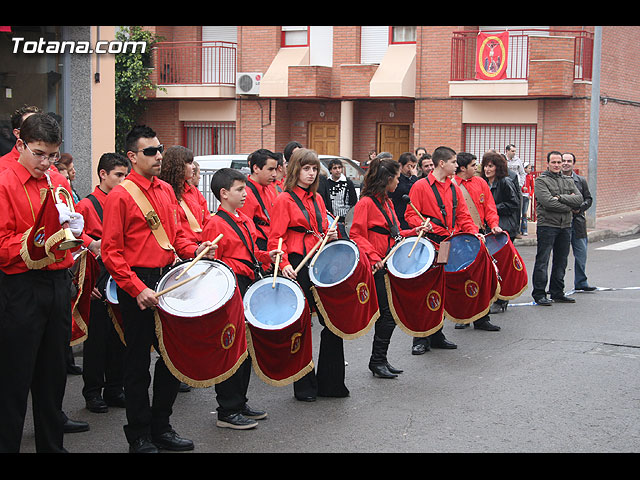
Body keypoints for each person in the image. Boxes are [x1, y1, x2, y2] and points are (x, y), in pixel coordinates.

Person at [101, 125, 217, 453]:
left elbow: (177, 235)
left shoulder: (166, 190)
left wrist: (195, 250)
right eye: (150, 151)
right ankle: (138, 434)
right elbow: (111, 252)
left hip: (167, 280)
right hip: (136, 283)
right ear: (132, 156)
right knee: (137, 362)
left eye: (160, 149)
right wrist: (136, 288)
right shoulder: (120, 195)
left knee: (172, 357)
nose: (158, 156)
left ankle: (161, 425)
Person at [0, 112, 85, 452]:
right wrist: (38, 242)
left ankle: (53, 447)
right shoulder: (4, 180)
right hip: (19, 288)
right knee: (14, 381)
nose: (46, 163)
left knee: (53, 379)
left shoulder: (57, 180)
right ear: (20, 144)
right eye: (39, 154)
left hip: (55, 283)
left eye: (52, 155)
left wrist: (75, 230)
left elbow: (63, 224)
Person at [201, 168, 281, 429]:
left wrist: (267, 256)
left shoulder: (244, 220)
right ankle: (227, 409)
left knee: (244, 346)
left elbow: (250, 252)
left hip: (247, 284)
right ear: (223, 194)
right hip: (230, 287)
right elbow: (213, 264)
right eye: (239, 189)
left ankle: (239, 401)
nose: (245, 194)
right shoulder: (215, 223)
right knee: (230, 346)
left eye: (245, 189)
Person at [269, 148, 345, 401]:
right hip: (297, 264)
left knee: (332, 321)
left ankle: (331, 383)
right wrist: (283, 264)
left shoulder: (318, 199)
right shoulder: (284, 200)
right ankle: (303, 386)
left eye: (314, 169)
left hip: (319, 262)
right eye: (306, 168)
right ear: (295, 170)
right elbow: (276, 239)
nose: (311, 174)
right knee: (301, 325)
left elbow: (322, 228)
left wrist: (330, 234)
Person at [349, 157, 431, 377]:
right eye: (395, 177)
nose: (398, 181)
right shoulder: (366, 203)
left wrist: (415, 231)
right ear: (386, 179)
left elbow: (393, 233)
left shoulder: (387, 201)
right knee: (387, 314)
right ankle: (376, 361)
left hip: (389, 262)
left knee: (390, 314)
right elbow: (356, 234)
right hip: (377, 266)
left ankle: (380, 359)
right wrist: (374, 256)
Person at [405, 146, 478, 354]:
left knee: (442, 289)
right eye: (454, 162)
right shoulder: (420, 186)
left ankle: (437, 334)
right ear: (442, 163)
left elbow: (463, 216)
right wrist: (422, 224)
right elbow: (411, 214)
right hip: (428, 243)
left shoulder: (454, 187)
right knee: (424, 290)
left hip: (448, 244)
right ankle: (419, 338)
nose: (457, 165)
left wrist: (473, 233)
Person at [75, 152, 130, 414]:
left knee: (119, 334)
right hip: (96, 275)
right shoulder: (86, 204)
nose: (123, 180)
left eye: (125, 175)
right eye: (119, 175)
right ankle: (93, 392)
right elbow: (73, 236)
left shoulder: (126, 201)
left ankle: (115, 388)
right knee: (96, 338)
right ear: (103, 174)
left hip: (120, 274)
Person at [452, 152, 503, 331]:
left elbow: (490, 207)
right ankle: (463, 315)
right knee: (462, 277)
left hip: (479, 234)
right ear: (463, 168)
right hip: (460, 238)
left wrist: (494, 225)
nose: (477, 168)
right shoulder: (451, 186)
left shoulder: (481, 183)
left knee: (482, 277)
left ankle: (482, 317)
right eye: (474, 165)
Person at [531, 151, 583, 306]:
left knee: (561, 260)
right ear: (547, 163)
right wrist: (569, 206)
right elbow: (547, 202)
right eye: (553, 162)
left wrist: (560, 197)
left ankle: (557, 292)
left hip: (565, 226)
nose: (557, 165)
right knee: (543, 261)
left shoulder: (568, 180)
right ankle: (539, 293)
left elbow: (579, 199)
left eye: (559, 162)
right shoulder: (541, 181)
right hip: (547, 225)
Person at [159, 145, 211, 245]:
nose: (194, 167)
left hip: (200, 245)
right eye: (190, 163)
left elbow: (207, 219)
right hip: (181, 248)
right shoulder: (164, 192)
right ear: (178, 166)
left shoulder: (193, 191)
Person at [561, 152, 596, 292]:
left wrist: (579, 208)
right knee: (561, 257)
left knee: (581, 254)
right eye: (563, 160)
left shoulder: (580, 181)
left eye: (569, 161)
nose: (565, 163)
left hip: (578, 223)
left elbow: (588, 199)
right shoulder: (556, 181)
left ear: (573, 163)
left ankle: (581, 282)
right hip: (562, 223)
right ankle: (557, 286)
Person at [239, 148, 278, 251]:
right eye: (270, 169)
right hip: (259, 245)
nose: (274, 174)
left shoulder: (269, 188)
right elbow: (245, 231)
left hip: (270, 241)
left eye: (275, 169)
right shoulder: (246, 193)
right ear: (256, 168)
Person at [480, 151, 521, 241]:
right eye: (485, 166)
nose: (487, 169)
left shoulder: (505, 182)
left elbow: (514, 204)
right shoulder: (483, 183)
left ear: (498, 167)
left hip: (504, 226)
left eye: (490, 166)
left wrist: (492, 208)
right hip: (488, 226)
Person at [318, 158, 357, 237]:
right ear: (330, 170)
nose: (338, 170)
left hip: (344, 220)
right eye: (335, 168)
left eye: (339, 168)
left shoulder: (348, 183)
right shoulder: (326, 182)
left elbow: (353, 202)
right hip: (331, 220)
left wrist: (347, 220)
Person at [0, 105, 42, 170]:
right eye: (31, 126)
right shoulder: (3, 167)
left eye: (41, 126)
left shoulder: (49, 164)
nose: (39, 131)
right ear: (17, 133)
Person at [389, 152, 418, 230]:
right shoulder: (397, 179)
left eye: (414, 167)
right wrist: (414, 177)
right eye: (409, 166)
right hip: (400, 216)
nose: (411, 170)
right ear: (401, 165)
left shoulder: (411, 178)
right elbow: (407, 189)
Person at [521, 162, 533, 236]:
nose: (530, 169)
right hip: (521, 195)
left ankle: (524, 229)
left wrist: (530, 194)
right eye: (528, 168)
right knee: (519, 214)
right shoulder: (521, 176)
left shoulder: (530, 177)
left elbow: (532, 187)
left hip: (526, 196)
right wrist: (522, 188)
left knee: (524, 214)